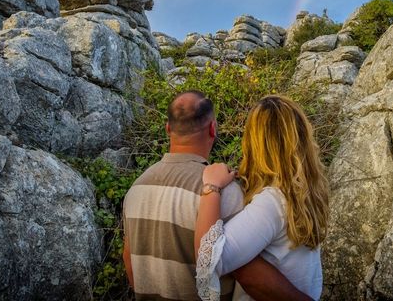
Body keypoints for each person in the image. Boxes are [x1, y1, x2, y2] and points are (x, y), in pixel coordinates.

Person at [122, 90, 310, 301]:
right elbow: (249, 276)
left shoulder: (136, 189)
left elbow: (130, 262)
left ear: (167, 128)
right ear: (213, 129)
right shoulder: (225, 192)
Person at [195, 95, 329, 301]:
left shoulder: (272, 202)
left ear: (254, 143)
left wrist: (211, 187)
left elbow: (209, 261)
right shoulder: (302, 191)